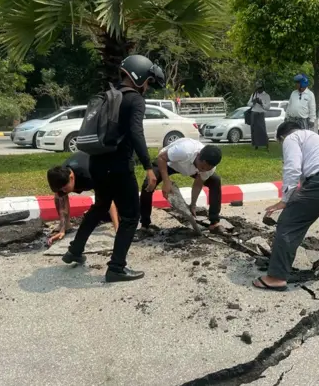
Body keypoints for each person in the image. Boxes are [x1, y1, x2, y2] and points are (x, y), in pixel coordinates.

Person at [61, 54, 164, 283]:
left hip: (96, 162)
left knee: (100, 207)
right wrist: (148, 167)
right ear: (138, 77)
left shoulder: (107, 95)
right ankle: (116, 267)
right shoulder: (135, 99)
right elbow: (137, 133)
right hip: (118, 167)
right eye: (148, 81)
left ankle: (74, 251)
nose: (147, 86)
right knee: (130, 216)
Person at [252, 121, 319, 291]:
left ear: (282, 137)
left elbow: (293, 168)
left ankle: (276, 277)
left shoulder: (291, 138)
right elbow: (307, 181)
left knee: (289, 223)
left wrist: (285, 200)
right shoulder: (315, 139)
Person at [140, 138, 223, 232]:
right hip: (169, 163)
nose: (202, 170)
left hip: (190, 168)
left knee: (215, 181)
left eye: (206, 169)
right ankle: (145, 225)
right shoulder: (184, 150)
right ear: (198, 155)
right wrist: (166, 182)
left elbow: (198, 184)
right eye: (202, 167)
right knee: (148, 184)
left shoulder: (209, 168)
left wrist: (193, 204)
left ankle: (214, 222)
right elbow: (161, 158)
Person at [46, 151, 119, 245]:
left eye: (65, 188)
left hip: (106, 169)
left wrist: (117, 229)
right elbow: (62, 201)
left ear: (71, 177)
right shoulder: (61, 177)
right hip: (82, 163)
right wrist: (62, 229)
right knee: (58, 197)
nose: (63, 191)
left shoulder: (89, 175)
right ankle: (66, 225)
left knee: (104, 201)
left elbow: (108, 200)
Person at [247, 81, 271, 150]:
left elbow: (267, 107)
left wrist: (261, 103)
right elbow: (248, 104)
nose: (258, 90)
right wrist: (253, 102)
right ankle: (256, 145)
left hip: (260, 113)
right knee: (254, 130)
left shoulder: (266, 95)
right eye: (257, 88)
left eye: (260, 88)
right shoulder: (254, 94)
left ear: (263, 88)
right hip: (253, 113)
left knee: (262, 130)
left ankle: (266, 144)